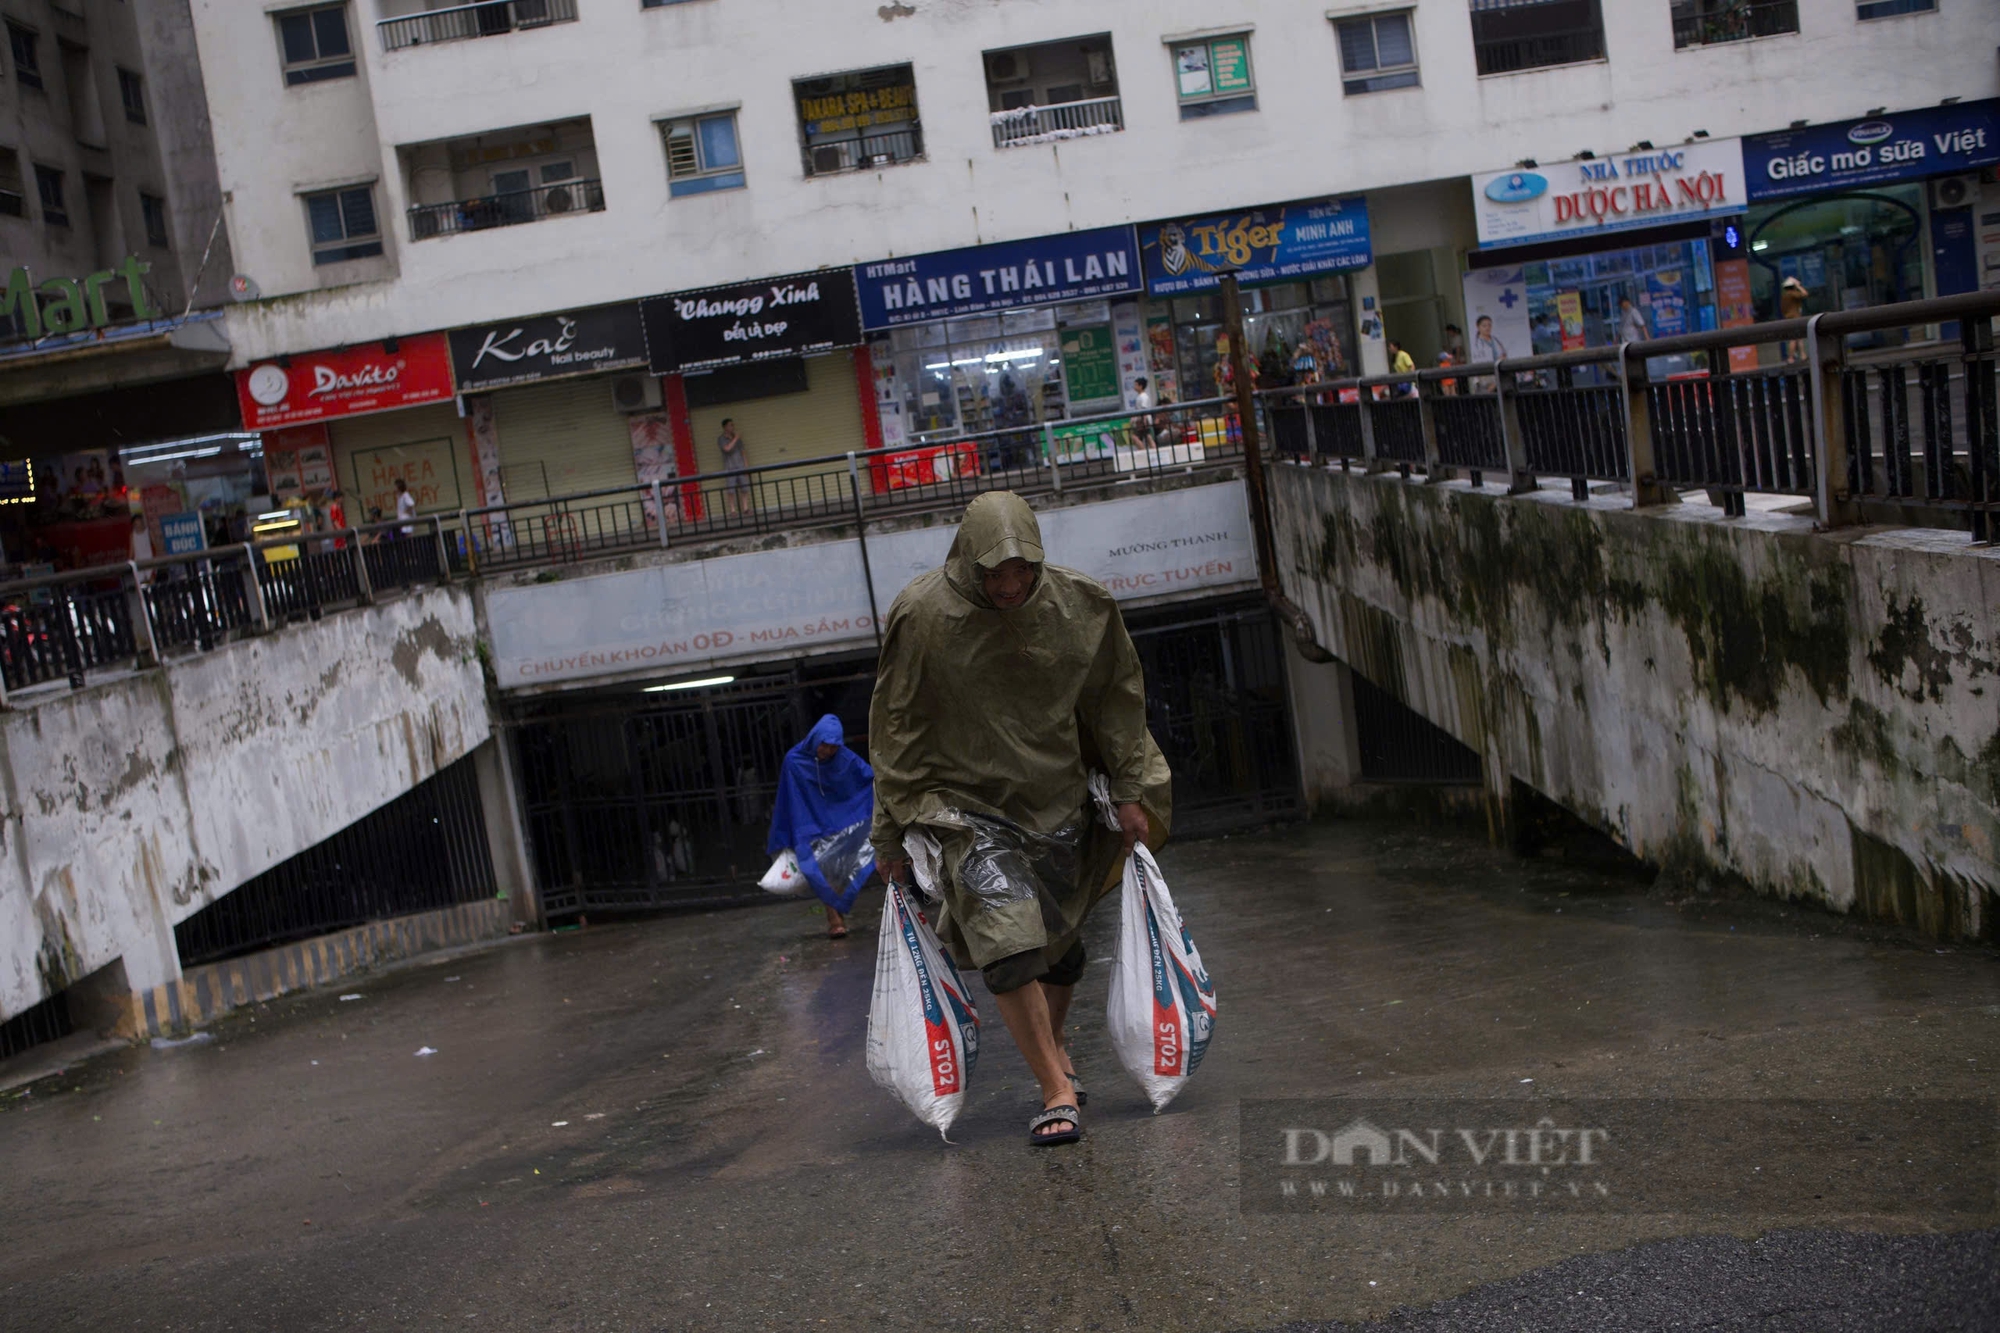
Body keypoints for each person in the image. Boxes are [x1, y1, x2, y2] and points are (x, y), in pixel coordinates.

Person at [869, 491, 1172, 1146]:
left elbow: (1117, 698)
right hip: (966, 809)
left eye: (1022, 570)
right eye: (995, 573)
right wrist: (887, 828)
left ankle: (1054, 1042)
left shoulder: (1079, 605)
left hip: (1055, 797)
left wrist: (1128, 789)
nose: (1010, 586)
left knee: (1058, 949)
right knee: (1009, 946)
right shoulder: (922, 615)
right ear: (966, 561)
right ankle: (1055, 1089)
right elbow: (895, 729)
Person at [767, 714, 877, 939]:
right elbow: (787, 797)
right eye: (824, 745)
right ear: (815, 738)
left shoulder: (844, 759)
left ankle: (835, 916)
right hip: (808, 823)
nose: (827, 751)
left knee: (838, 868)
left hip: (838, 821)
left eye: (833, 747)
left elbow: (867, 778)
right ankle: (833, 917)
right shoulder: (794, 760)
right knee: (816, 868)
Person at [718, 418, 749, 518]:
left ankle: (745, 508)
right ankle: (732, 510)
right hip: (730, 468)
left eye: (733, 425)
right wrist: (735, 438)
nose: (732, 427)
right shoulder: (721, 439)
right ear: (725, 427)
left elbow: (743, 452)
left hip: (740, 466)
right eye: (730, 425)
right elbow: (727, 449)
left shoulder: (737, 438)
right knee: (731, 490)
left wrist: (746, 467)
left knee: (744, 488)